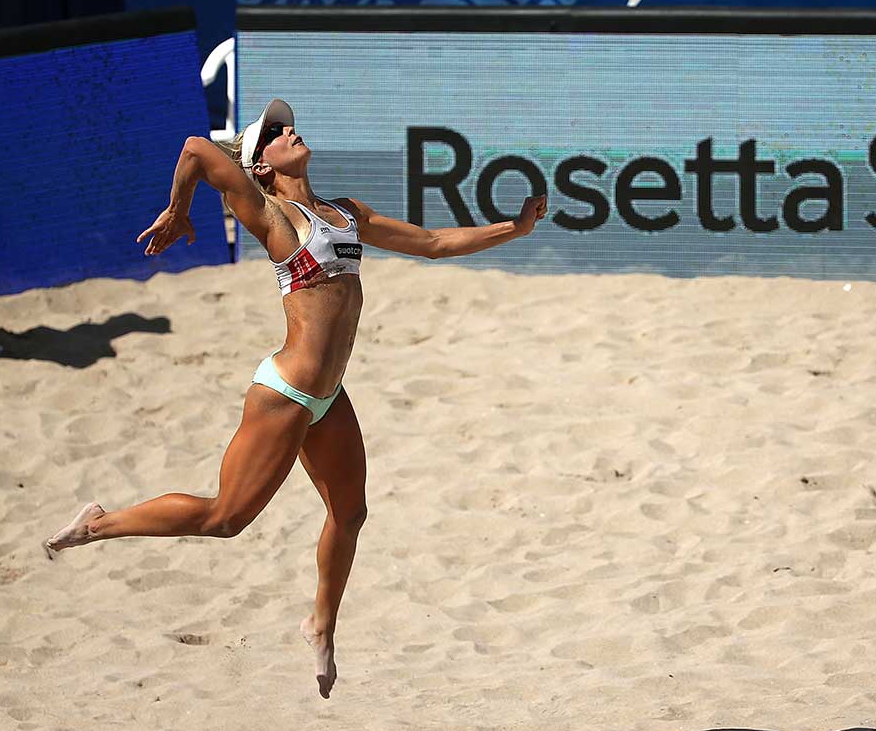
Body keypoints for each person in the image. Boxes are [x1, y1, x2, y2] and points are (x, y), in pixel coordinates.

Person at [44, 98, 547, 698]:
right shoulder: (268, 211)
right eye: (276, 134)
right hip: (284, 393)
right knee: (224, 518)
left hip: (328, 395)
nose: (290, 131)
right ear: (260, 164)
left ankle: (321, 624)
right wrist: (178, 211)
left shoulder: (344, 213)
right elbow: (195, 150)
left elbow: (435, 242)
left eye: (289, 126)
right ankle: (101, 524)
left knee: (351, 513)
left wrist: (513, 228)